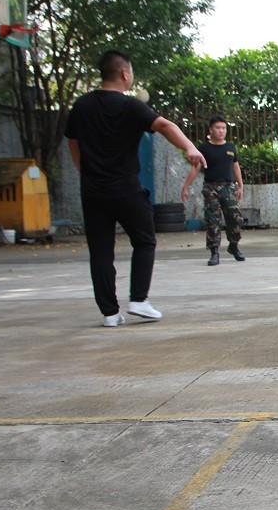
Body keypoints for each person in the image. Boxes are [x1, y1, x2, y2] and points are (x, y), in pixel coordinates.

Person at [65, 50, 206, 326]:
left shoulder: (81, 105)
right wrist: (189, 146)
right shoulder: (130, 106)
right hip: (126, 188)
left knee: (101, 252)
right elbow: (164, 125)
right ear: (124, 74)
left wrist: (83, 169)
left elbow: (72, 141)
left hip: (93, 192)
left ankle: (109, 313)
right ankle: (139, 300)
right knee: (144, 241)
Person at [180, 116, 245, 266]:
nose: (221, 130)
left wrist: (240, 185)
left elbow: (236, 166)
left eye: (223, 128)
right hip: (211, 188)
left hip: (229, 187)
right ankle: (214, 252)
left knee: (235, 218)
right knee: (213, 220)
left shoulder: (230, 147)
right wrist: (185, 186)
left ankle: (233, 246)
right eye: (218, 128)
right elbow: (196, 168)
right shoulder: (204, 148)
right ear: (211, 130)